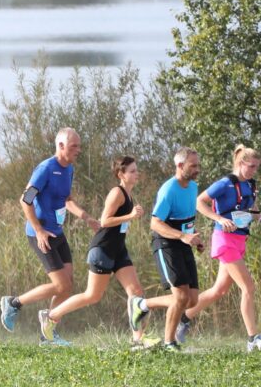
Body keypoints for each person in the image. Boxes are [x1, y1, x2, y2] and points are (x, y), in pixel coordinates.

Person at [37, 156, 156, 347]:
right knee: (92, 295)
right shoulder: (117, 193)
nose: (137, 174)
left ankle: (138, 340)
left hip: (119, 250)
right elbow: (105, 221)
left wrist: (129, 216)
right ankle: (51, 316)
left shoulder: (129, 194)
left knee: (136, 291)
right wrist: (130, 215)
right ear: (121, 174)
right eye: (132, 171)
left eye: (136, 170)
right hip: (103, 249)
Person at [0, 128, 100, 345]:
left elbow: (67, 199)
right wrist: (38, 230)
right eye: (74, 146)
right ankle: (14, 303)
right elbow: (25, 200)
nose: (78, 150)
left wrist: (87, 217)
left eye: (79, 146)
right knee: (61, 285)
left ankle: (47, 335)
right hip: (41, 234)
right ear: (61, 146)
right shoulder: (45, 169)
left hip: (58, 233)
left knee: (68, 285)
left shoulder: (69, 169)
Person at [175, 144, 261, 350]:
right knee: (248, 287)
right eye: (251, 166)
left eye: (257, 167)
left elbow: (252, 207)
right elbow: (199, 202)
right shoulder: (224, 183)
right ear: (240, 164)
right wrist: (219, 219)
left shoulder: (251, 184)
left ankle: (184, 319)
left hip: (240, 240)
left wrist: (258, 217)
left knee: (218, 291)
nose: (254, 171)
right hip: (224, 240)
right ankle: (253, 339)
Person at [129, 147, 203, 352]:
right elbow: (155, 223)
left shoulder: (193, 187)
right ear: (180, 166)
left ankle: (141, 305)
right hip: (165, 244)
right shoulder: (168, 189)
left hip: (184, 243)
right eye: (193, 165)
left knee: (192, 300)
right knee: (180, 297)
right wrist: (182, 236)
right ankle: (170, 343)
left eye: (198, 164)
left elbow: (186, 220)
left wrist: (194, 237)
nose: (198, 169)